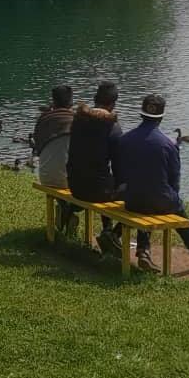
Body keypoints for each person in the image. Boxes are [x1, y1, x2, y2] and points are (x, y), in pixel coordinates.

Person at [113, 93, 189, 272]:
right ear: (161, 116)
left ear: (141, 114)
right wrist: (170, 197)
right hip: (160, 200)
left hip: (132, 200)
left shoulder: (125, 140)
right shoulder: (168, 144)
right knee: (178, 211)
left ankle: (143, 250)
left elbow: (119, 173)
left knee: (145, 199)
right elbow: (175, 182)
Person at [66, 82, 125, 254]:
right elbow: (119, 167)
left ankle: (71, 210)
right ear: (113, 103)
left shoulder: (78, 120)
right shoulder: (112, 127)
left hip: (74, 186)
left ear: (95, 99)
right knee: (135, 193)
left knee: (102, 180)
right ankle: (113, 234)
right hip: (98, 192)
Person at [30, 84, 77, 232]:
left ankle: (64, 209)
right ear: (71, 103)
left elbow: (37, 150)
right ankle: (68, 212)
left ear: (53, 102)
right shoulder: (78, 120)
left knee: (57, 172)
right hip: (73, 181)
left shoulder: (43, 120)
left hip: (46, 176)